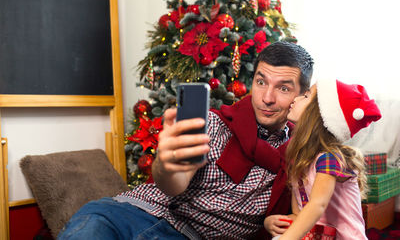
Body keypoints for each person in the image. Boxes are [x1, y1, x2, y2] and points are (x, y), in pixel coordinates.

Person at [57, 41, 314, 240]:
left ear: (303, 95)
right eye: (261, 82)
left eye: (283, 88)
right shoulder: (212, 124)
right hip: (129, 214)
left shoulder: (300, 157)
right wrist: (166, 166)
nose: (266, 98)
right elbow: (174, 184)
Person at [270, 79, 382, 240]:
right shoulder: (299, 159)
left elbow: (317, 206)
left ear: (319, 115)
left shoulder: (331, 158)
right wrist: (272, 223)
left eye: (306, 96)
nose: (296, 98)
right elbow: (299, 214)